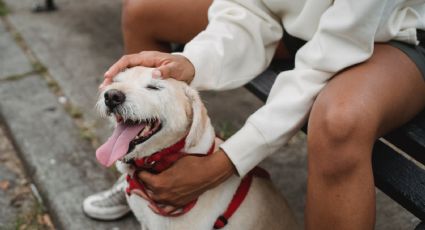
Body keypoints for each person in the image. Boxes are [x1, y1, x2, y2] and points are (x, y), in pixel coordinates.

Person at [84, 0, 425, 228]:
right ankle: (141, 172)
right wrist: (191, 63)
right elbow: (246, 8)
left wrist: (227, 161)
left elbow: (336, 48)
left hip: (391, 33)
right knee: (142, 11)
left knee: (340, 119)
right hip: (298, 26)